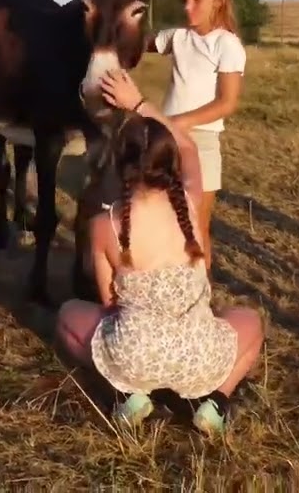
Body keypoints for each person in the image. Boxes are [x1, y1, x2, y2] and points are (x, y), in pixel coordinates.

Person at [54, 114, 265, 435]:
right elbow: (190, 145)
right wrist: (139, 103)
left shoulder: (103, 226)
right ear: (172, 163)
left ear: (121, 163)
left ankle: (129, 395)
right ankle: (217, 403)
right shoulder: (192, 205)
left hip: (133, 355)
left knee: (67, 315)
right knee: (252, 322)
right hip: (200, 357)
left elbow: (109, 300)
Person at [98, 0, 246, 270]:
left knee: (196, 227)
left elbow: (226, 102)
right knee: (156, 215)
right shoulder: (177, 37)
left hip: (200, 140)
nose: (188, 8)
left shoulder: (226, 45)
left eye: (197, 0)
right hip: (163, 140)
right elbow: (140, 45)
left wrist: (180, 123)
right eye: (184, 0)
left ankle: (199, 294)